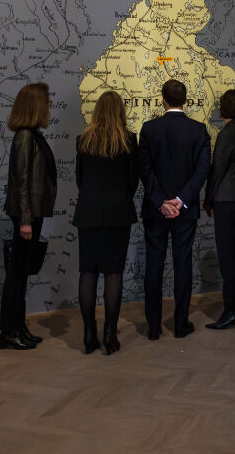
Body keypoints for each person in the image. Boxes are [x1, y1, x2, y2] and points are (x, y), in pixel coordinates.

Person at [138, 79, 210, 340]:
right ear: (186, 100)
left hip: (155, 210)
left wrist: (161, 201)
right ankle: (181, 325)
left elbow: (145, 170)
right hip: (185, 211)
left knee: (154, 266)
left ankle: (153, 328)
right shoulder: (199, 130)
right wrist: (181, 200)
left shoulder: (149, 129)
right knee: (183, 265)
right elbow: (202, 170)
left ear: (163, 100)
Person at [73, 90, 139, 356]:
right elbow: (133, 181)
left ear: (97, 111)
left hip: (88, 212)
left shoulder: (83, 140)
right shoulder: (129, 140)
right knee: (113, 273)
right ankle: (110, 335)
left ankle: (89, 334)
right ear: (120, 111)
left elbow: (79, 179)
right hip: (118, 213)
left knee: (88, 272)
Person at [0, 82, 57, 350]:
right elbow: (21, 181)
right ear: (35, 105)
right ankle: (10, 331)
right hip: (27, 214)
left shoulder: (32, 134)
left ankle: (18, 327)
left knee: (21, 273)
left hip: (31, 213)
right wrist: (25, 219)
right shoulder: (25, 136)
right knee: (16, 274)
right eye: (46, 101)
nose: (49, 106)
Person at [203, 89, 235, 330]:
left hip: (226, 200)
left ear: (225, 108)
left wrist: (208, 199)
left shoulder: (226, 134)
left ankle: (231, 310)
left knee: (228, 257)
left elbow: (218, 169)